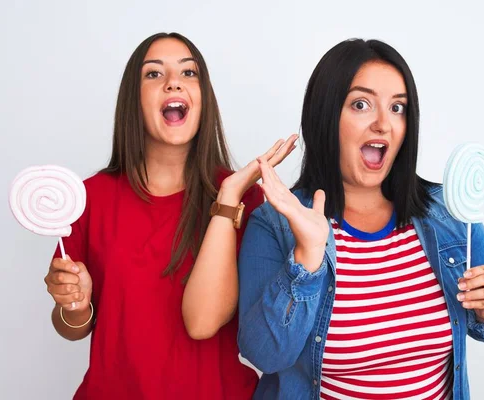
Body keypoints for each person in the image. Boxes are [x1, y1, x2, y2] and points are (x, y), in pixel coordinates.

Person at [238, 38, 484, 400]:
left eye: (398, 107)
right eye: (361, 104)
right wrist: (307, 258)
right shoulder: (275, 225)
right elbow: (264, 354)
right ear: (325, 115)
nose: (384, 123)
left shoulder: (449, 214)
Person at [42, 32, 297, 399]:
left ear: (203, 98)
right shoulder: (88, 198)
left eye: (188, 73)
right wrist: (75, 305)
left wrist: (228, 200)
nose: (173, 81)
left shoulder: (247, 200)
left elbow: (208, 323)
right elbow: (72, 327)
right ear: (134, 99)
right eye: (153, 74)